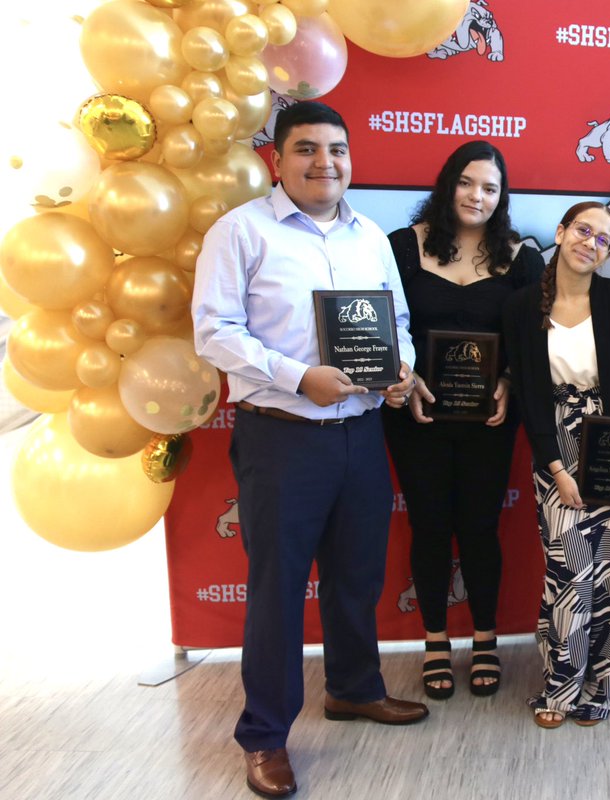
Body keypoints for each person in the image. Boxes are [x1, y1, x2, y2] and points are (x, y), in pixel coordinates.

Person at [192, 101, 428, 799]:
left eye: (336, 150)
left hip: (361, 433)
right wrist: (300, 377)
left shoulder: (370, 239)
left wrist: (401, 370)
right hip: (282, 439)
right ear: (278, 159)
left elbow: (399, 320)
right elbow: (214, 332)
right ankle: (264, 736)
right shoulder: (240, 233)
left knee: (357, 576)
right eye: (307, 149)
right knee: (277, 591)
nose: (324, 163)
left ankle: (354, 688)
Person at [383, 141, 543, 700]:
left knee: (479, 527)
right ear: (448, 184)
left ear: (502, 197)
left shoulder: (522, 257)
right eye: (468, 183)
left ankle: (484, 640)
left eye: (491, 188)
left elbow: (533, 339)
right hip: (416, 413)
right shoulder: (402, 247)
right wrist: (405, 376)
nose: (477, 196)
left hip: (489, 422)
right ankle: (433, 642)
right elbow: (382, 324)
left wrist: (508, 383)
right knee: (427, 526)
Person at [502, 201, 610, 727]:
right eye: (583, 230)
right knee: (568, 576)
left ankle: (601, 688)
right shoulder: (522, 305)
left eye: (603, 239)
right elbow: (527, 393)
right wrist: (556, 469)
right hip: (557, 447)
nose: (590, 242)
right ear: (562, 232)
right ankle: (560, 689)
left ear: (609, 252)